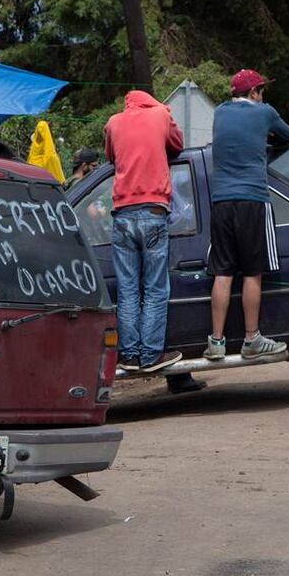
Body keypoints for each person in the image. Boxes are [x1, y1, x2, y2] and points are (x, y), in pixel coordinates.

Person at [204, 69, 289, 361]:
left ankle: (216, 342)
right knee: (253, 271)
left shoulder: (220, 112)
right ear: (254, 92)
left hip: (221, 202)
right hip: (252, 199)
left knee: (223, 272)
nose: (263, 95)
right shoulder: (264, 112)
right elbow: (288, 136)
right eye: (261, 90)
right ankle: (252, 339)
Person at [104, 90, 184, 373]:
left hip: (122, 214)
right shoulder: (161, 115)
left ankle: (129, 355)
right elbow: (177, 144)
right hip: (153, 212)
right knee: (155, 288)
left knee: (127, 289)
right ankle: (150, 355)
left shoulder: (113, 123)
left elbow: (111, 156)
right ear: (150, 101)